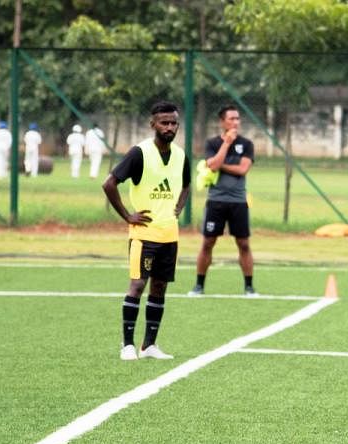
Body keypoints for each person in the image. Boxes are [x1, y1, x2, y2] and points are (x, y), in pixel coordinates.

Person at [101, 101, 190, 361]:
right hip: (143, 234)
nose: (170, 127)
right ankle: (127, 345)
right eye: (164, 122)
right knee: (138, 285)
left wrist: (179, 207)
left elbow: (186, 185)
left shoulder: (181, 155)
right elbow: (109, 183)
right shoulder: (139, 153)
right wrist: (128, 215)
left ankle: (149, 345)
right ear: (153, 124)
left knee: (159, 288)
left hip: (169, 235)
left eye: (173, 123)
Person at [190, 105, 257, 296]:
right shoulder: (212, 143)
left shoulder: (247, 144)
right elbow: (212, 166)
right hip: (216, 202)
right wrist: (226, 144)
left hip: (238, 202)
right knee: (208, 243)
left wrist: (219, 165)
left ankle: (249, 286)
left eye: (238, 119)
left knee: (244, 244)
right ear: (222, 122)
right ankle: (199, 285)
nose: (236, 122)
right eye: (232, 119)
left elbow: (242, 169)